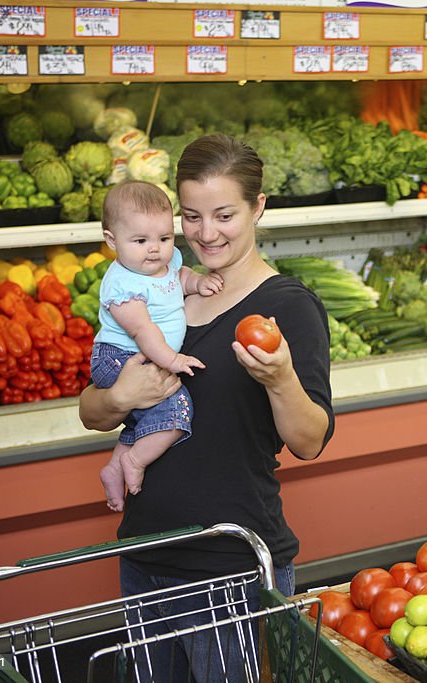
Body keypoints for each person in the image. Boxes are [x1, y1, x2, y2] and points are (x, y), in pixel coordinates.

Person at [79, 134, 334, 680]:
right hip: (146, 553)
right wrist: (119, 396)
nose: (205, 233)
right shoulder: (153, 286)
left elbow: (310, 440)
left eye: (224, 215)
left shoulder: (287, 307)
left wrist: (282, 377)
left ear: (258, 206)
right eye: (191, 216)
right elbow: (91, 411)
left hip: (232, 567)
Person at [93, 180, 223, 512]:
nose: (155, 249)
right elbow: (143, 330)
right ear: (112, 241)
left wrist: (197, 282)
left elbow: (177, 279)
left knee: (143, 420)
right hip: (122, 358)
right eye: (140, 241)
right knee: (177, 410)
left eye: (164, 238)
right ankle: (135, 460)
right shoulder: (122, 284)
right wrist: (172, 359)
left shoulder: (162, 266)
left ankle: (114, 467)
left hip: (146, 355)